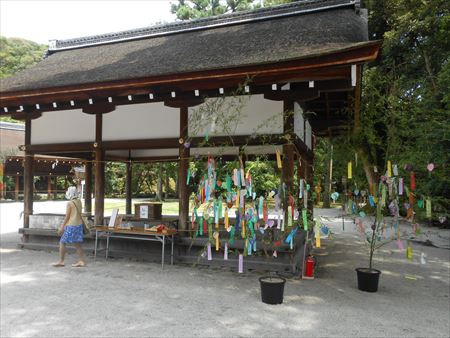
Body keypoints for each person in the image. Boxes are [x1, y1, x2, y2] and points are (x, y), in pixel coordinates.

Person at [53, 186, 86, 267]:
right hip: (79, 225)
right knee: (77, 244)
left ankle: (61, 261)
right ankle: (81, 261)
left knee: (62, 242)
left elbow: (67, 217)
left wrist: (62, 227)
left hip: (72, 226)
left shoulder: (70, 203)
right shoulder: (79, 201)